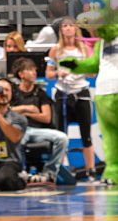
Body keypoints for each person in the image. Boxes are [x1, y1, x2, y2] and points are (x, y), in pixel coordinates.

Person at [46, 17, 96, 177]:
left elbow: (91, 72)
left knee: (86, 133)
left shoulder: (83, 48)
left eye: (70, 26)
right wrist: (57, 73)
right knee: (61, 133)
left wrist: (80, 66)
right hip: (63, 93)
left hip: (81, 92)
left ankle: (91, 170)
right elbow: (48, 74)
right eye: (64, 26)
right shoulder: (55, 50)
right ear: (61, 30)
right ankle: (60, 170)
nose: (68, 29)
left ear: (75, 29)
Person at [10, 56, 68, 185]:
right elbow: (7, 110)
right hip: (20, 130)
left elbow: (46, 117)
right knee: (16, 140)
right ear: (21, 74)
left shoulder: (40, 93)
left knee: (62, 138)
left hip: (37, 131)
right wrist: (27, 108)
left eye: (34, 70)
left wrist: (27, 115)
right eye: (30, 70)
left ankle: (49, 173)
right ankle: (21, 172)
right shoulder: (13, 92)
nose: (34, 73)